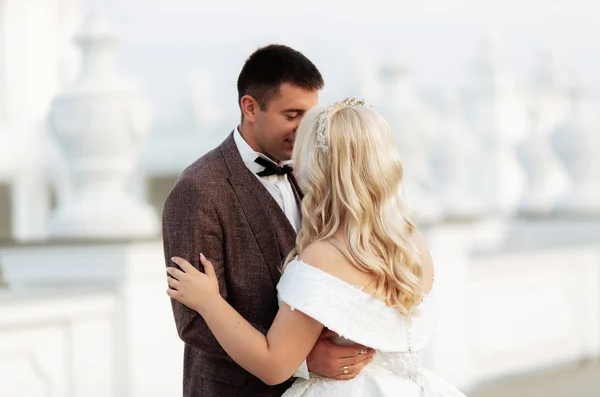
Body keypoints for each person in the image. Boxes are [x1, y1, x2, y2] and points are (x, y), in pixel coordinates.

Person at [166, 97, 467, 396]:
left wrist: (209, 301)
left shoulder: (324, 256)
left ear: (322, 169)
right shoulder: (412, 241)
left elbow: (274, 365)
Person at [162, 45, 375, 397]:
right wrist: (300, 357)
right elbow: (193, 320)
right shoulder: (197, 189)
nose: (304, 130)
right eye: (292, 115)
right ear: (250, 108)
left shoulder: (312, 175)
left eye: (311, 117)